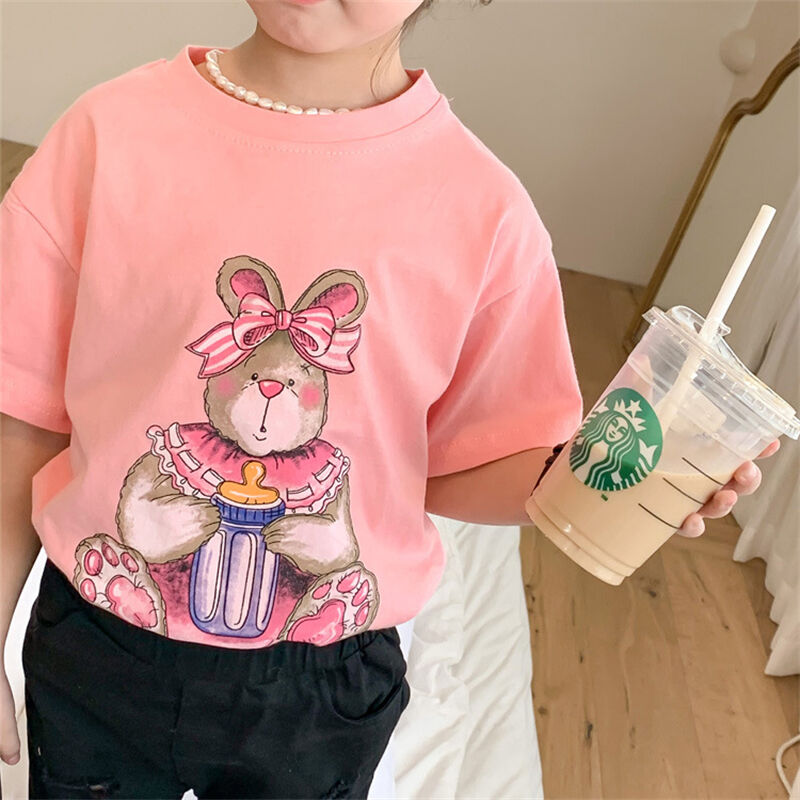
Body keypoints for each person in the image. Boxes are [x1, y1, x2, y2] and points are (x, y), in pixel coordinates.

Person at [0, 0, 778, 797]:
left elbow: (465, 466)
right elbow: (24, 412)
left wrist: (623, 480)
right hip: (96, 641)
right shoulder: (107, 136)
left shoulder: (485, 215)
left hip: (322, 685)